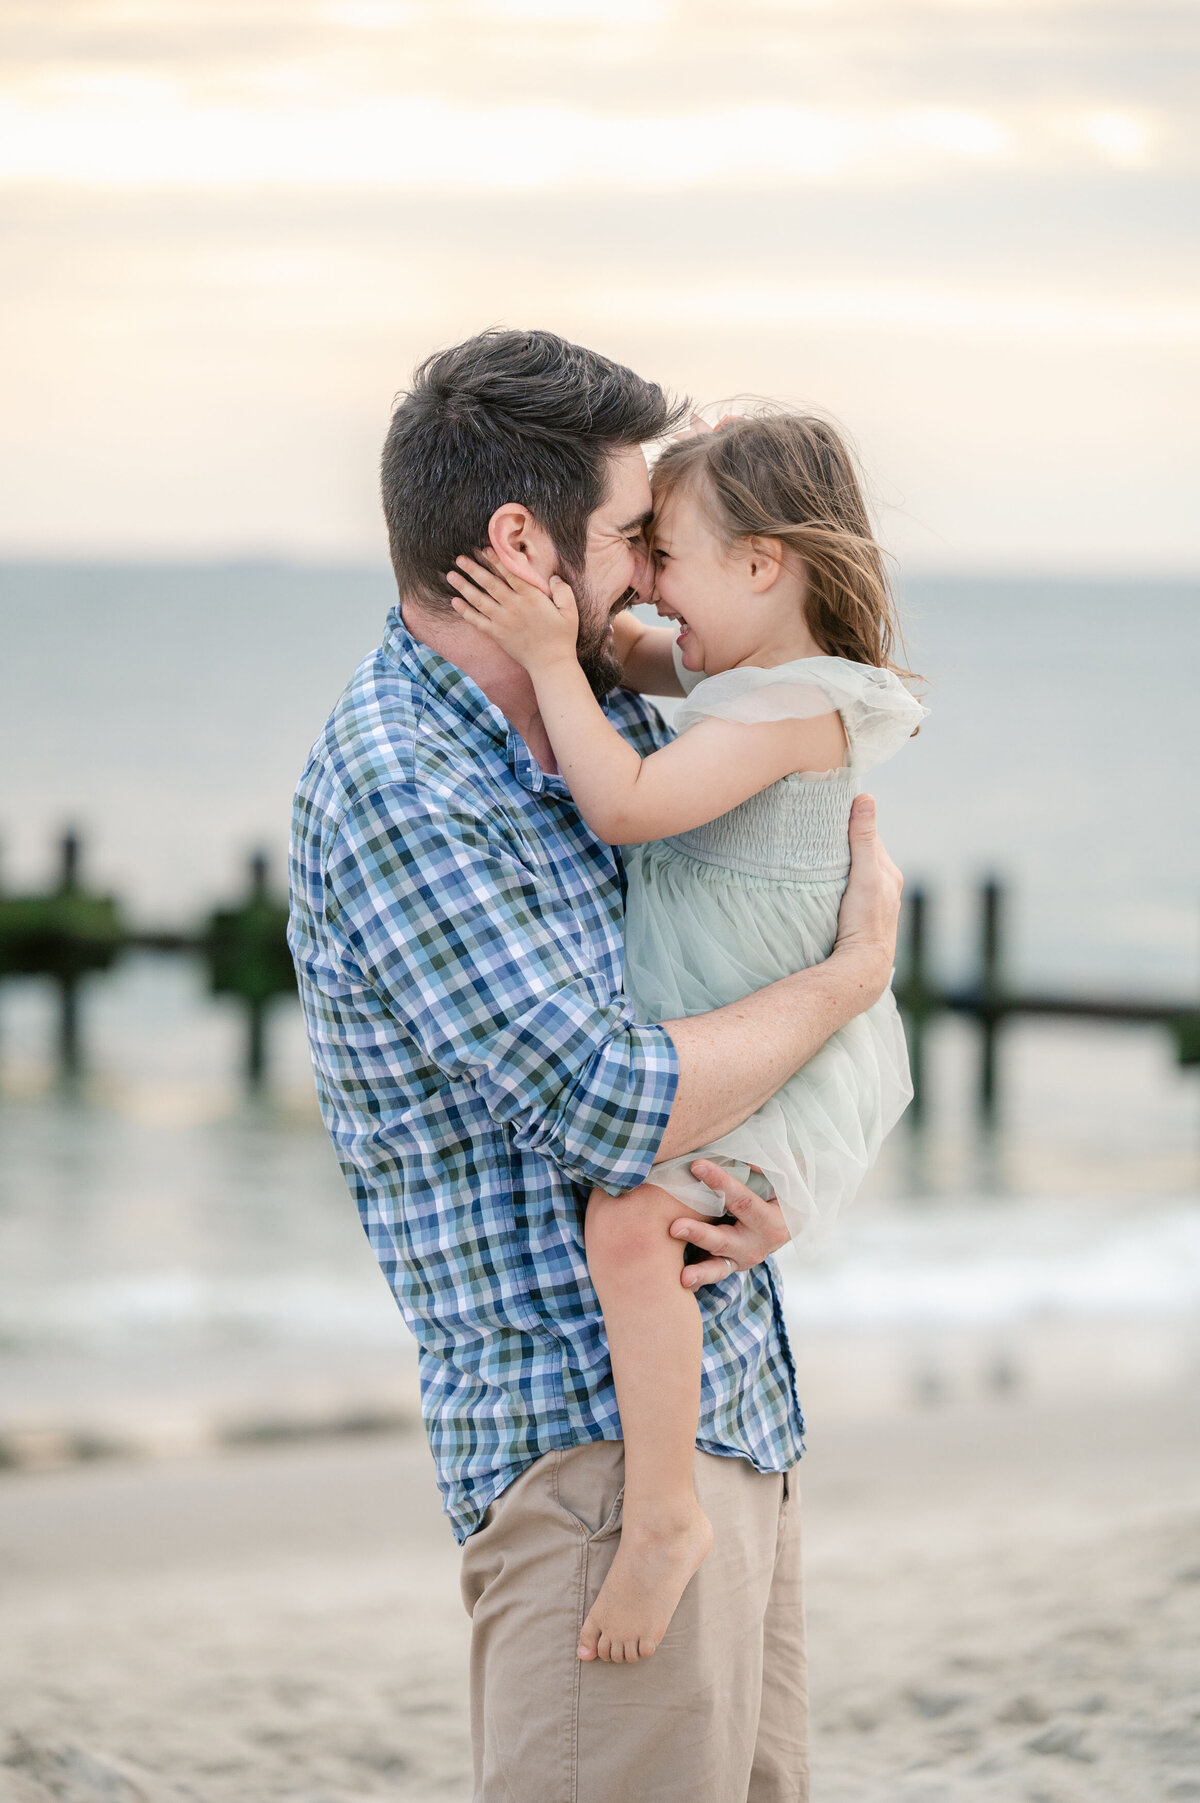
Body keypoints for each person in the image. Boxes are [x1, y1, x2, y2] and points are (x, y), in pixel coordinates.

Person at [288, 330, 904, 1803]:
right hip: (586, 1468)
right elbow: (611, 1099)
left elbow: (779, 872)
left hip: (730, 1408)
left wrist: (795, 1155)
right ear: (522, 542)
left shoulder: (600, 709)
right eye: (632, 533)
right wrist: (851, 981)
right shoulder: (405, 784)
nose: (646, 574)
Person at [445, 408, 927, 1668]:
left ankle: (661, 1515)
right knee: (658, 1226)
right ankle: (669, 1502)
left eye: (666, 554)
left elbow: (624, 804)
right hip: (744, 1008)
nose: (648, 587)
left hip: (773, 1033)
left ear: (762, 566)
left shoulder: (796, 707)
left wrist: (551, 661)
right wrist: (581, 631)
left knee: (629, 1225)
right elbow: (631, 664)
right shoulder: (748, 679)